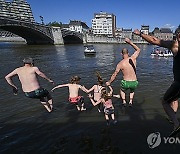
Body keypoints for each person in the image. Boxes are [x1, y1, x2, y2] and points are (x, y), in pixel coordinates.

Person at [133, 28, 180, 135]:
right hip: (177, 83)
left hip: (179, 83)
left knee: (165, 101)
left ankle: (176, 124)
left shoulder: (175, 46)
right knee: (175, 98)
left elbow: (154, 40)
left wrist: (140, 34)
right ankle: (173, 116)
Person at [106, 38, 141, 107]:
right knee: (132, 91)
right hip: (134, 82)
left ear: (121, 54)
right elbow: (138, 49)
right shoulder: (133, 58)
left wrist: (109, 82)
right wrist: (130, 42)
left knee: (122, 90)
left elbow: (114, 75)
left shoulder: (120, 64)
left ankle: (124, 101)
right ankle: (130, 101)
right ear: (128, 53)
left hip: (126, 82)